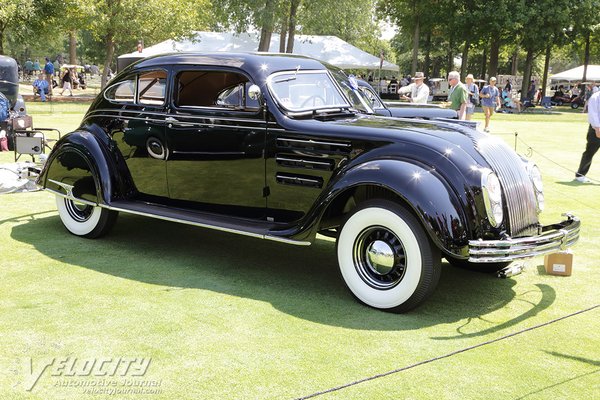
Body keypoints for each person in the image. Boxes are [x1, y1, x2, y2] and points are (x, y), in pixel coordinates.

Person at [574, 90, 600, 183]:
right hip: (596, 129)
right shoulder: (595, 97)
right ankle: (580, 175)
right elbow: (593, 114)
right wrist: (597, 128)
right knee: (590, 152)